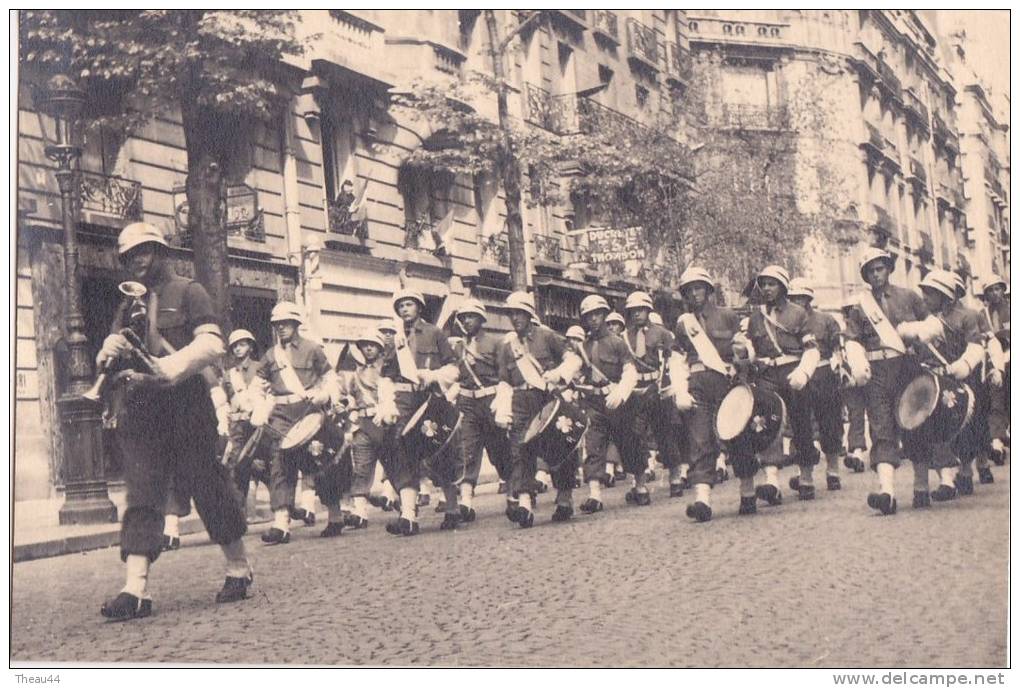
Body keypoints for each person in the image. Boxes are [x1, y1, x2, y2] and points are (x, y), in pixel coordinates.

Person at [98, 222, 251, 621]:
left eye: (144, 251)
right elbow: (119, 350)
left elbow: (212, 343)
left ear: (160, 252)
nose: (138, 260)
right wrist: (107, 349)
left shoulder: (188, 290)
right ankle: (136, 589)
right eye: (130, 255)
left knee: (207, 484)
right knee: (142, 493)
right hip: (145, 408)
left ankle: (238, 568)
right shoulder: (127, 302)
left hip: (186, 404)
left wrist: (171, 366)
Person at [843, 248, 930, 515]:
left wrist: (919, 340)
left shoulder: (909, 296)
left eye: (880, 268)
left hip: (907, 367)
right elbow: (853, 339)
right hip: (878, 372)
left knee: (914, 424)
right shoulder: (861, 307)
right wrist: (858, 363)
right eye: (870, 271)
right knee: (881, 427)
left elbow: (929, 327)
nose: (876, 274)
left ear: (888, 269)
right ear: (865, 275)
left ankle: (921, 485)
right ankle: (887, 492)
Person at [732, 265, 821, 509]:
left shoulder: (798, 313)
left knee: (801, 425)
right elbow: (750, 350)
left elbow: (812, 349)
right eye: (764, 284)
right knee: (766, 426)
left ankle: (806, 476)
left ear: (783, 287)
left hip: (793, 373)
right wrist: (743, 350)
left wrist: (803, 372)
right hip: (767, 376)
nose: (768, 289)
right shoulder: (755, 317)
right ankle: (772, 482)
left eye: (772, 284)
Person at [251, 302, 337, 544]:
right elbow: (256, 386)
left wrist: (323, 395)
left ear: (296, 324)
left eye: (285, 324)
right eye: (277, 325)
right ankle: (281, 523)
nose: (281, 329)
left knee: (320, 464)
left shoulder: (312, 349)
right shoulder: (270, 355)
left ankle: (335, 512)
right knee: (279, 464)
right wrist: (259, 408)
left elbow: (330, 378)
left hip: (309, 412)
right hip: (281, 415)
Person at [898, 270, 986, 503]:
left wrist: (962, 365)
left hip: (961, 377)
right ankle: (947, 480)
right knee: (938, 429)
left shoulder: (967, 317)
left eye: (930, 293)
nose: (924, 297)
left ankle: (966, 471)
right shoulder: (928, 321)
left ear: (945, 296)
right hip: (934, 378)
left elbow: (976, 346)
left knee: (966, 427)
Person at [497, 291, 582, 527]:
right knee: (520, 450)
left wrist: (558, 374)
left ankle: (564, 498)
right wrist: (503, 408)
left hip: (548, 398)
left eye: (519, 313)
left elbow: (574, 360)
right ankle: (524, 503)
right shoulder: (508, 347)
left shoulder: (547, 336)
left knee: (560, 447)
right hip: (521, 401)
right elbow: (504, 380)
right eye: (511, 314)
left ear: (528, 314)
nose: (515, 318)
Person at [380, 290, 459, 536]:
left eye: (409, 305)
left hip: (430, 398)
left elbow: (453, 368)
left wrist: (433, 375)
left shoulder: (434, 333)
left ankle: (453, 507)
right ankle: (408, 515)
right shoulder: (394, 339)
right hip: (404, 400)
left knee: (440, 451)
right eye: (401, 306)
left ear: (419, 308)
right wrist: (387, 403)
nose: (405, 309)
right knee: (402, 451)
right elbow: (385, 375)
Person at [671, 267, 741, 521]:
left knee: (735, 437)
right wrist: (680, 389)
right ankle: (702, 499)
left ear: (709, 290)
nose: (694, 293)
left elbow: (742, 350)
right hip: (697, 384)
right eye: (689, 290)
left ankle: (748, 490)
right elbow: (677, 359)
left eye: (698, 287)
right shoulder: (683, 324)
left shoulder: (728, 317)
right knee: (699, 439)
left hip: (726, 382)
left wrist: (743, 357)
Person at [574, 295, 643, 511]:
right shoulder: (582, 347)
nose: (593, 319)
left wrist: (621, 393)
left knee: (629, 443)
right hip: (594, 403)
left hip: (618, 402)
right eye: (588, 316)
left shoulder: (617, 343)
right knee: (593, 445)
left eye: (597, 314)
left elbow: (630, 371)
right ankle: (595, 494)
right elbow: (577, 372)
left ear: (604, 316)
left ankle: (640, 486)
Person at [449, 299, 513, 526]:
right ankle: (466, 500)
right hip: (466, 402)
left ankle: (513, 491)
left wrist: (502, 402)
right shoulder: (456, 347)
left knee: (499, 450)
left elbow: (505, 375)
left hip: (490, 400)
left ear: (481, 319)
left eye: (471, 316)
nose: (466, 321)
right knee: (467, 449)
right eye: (463, 317)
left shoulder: (496, 344)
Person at [335, 329, 399, 532]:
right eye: (364, 345)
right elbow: (347, 395)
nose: (368, 348)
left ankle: (404, 505)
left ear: (380, 348)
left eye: (372, 345)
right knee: (361, 468)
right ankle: (360, 512)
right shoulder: (355, 373)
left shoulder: (388, 369)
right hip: (362, 423)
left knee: (394, 465)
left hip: (384, 422)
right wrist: (344, 404)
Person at [622, 290, 684, 499]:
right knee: (635, 437)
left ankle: (675, 478)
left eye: (641, 309)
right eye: (633, 311)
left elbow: (675, 359)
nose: (637, 314)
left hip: (658, 389)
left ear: (648, 310)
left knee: (666, 434)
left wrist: (672, 386)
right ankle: (639, 484)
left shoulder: (662, 334)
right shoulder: (623, 337)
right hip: (636, 390)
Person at [787, 278, 846, 492]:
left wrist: (839, 364)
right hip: (798, 376)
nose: (797, 302)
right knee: (801, 427)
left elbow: (838, 345)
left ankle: (833, 470)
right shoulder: (785, 321)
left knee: (830, 424)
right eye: (792, 299)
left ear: (809, 299)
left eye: (801, 298)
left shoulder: (825, 320)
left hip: (823, 374)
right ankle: (806, 475)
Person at [222, 329, 269, 521]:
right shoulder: (229, 374)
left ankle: (284, 506)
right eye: (234, 346)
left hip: (258, 425)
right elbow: (227, 400)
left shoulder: (261, 368)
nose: (238, 349)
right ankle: (238, 515)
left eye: (242, 345)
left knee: (264, 465)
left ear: (250, 346)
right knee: (237, 467)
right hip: (238, 425)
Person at [977, 275, 1010, 467]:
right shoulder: (983, 314)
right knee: (995, 400)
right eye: (990, 290)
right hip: (995, 362)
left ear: (1003, 290)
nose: (994, 293)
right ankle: (996, 444)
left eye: (997, 289)